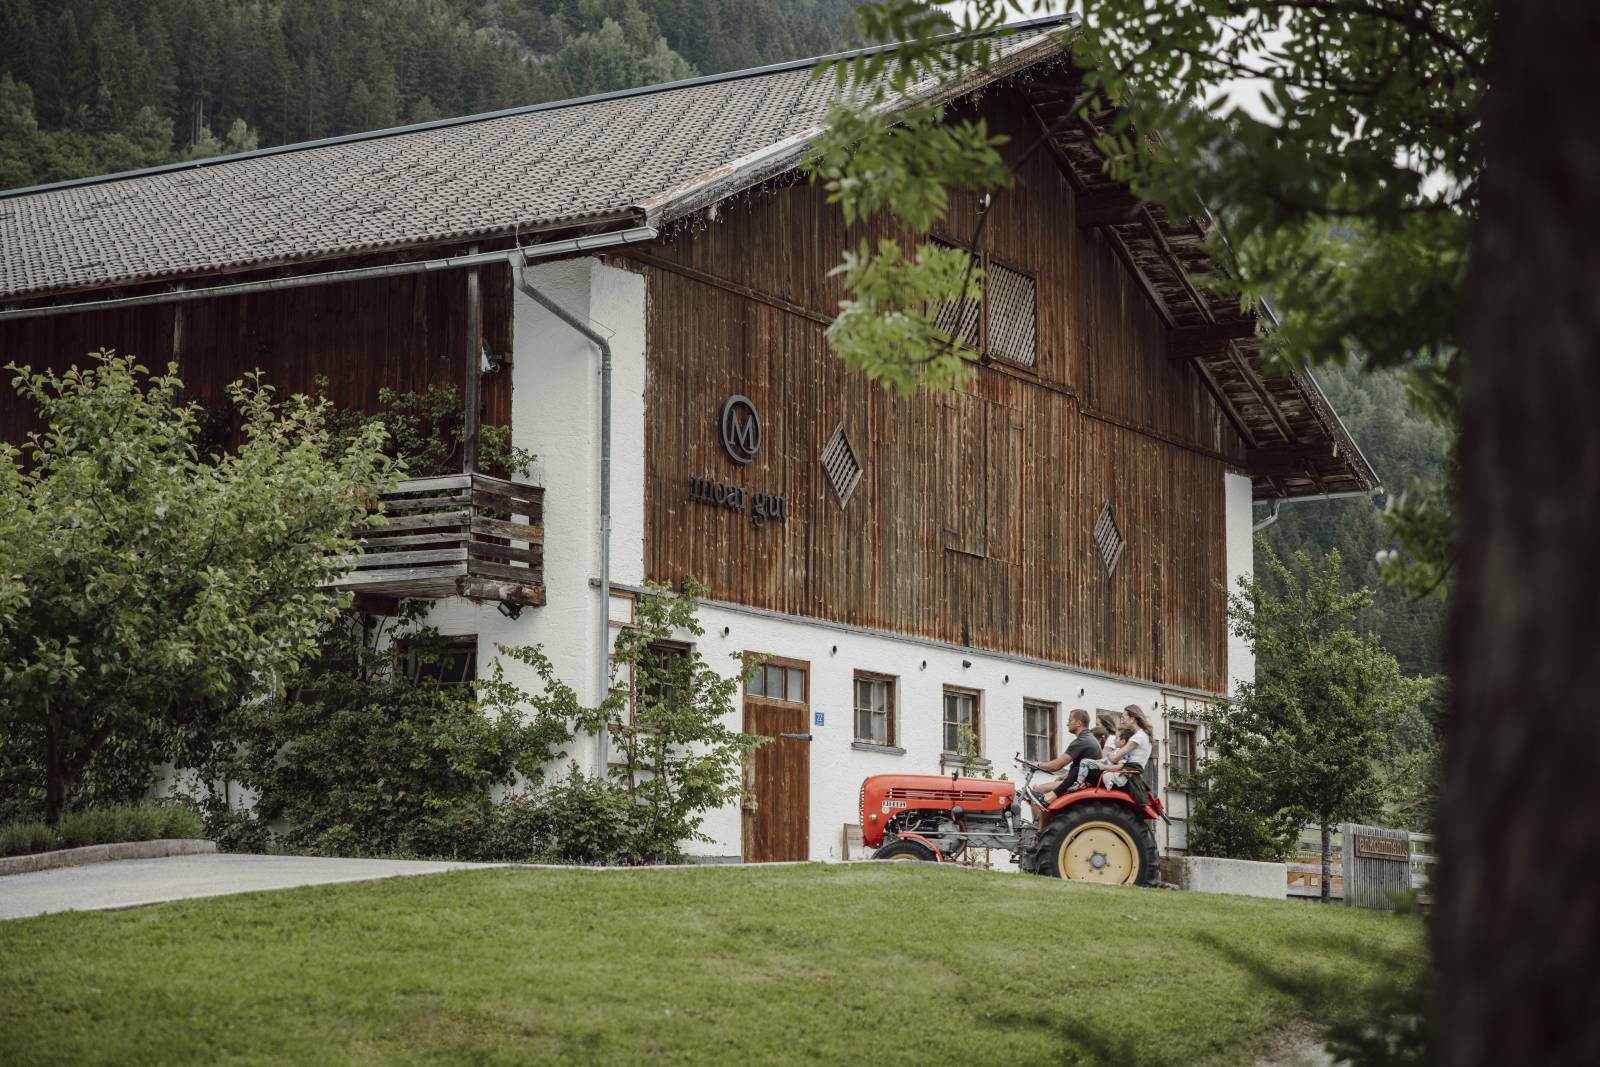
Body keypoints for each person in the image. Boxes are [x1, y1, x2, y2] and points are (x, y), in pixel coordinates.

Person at [1025, 709, 1100, 816]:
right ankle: (1043, 823)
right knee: (1042, 789)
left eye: (1070, 720)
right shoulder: (1089, 738)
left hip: (1082, 782)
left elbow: (1056, 766)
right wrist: (1064, 776)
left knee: (1038, 790)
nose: (1067, 723)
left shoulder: (1082, 741)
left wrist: (1037, 764)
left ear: (1078, 723)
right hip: (1082, 779)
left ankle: (1040, 825)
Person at [1100, 705, 1154, 806]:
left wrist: (1107, 753)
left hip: (1126, 774)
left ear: (1132, 719)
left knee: (1093, 773)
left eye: (1123, 717)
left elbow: (1115, 758)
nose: (1121, 720)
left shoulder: (1138, 737)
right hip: (1130, 772)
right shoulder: (1144, 735)